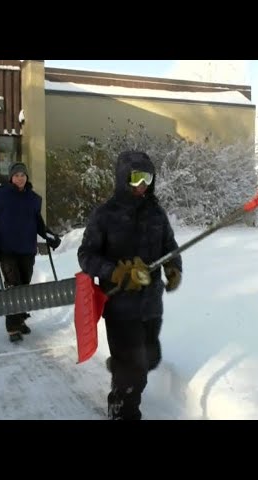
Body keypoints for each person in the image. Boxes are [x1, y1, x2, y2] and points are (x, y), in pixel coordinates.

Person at [77, 150, 183, 420]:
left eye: (147, 177)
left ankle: (122, 380)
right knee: (133, 366)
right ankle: (122, 409)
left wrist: (173, 268)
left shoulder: (156, 213)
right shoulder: (105, 215)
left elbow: (169, 246)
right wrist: (117, 273)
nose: (142, 184)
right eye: (136, 177)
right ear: (123, 178)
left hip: (151, 304)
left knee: (149, 359)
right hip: (120, 305)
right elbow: (86, 256)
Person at [0, 162, 61, 342]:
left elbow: (39, 224)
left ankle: (20, 321)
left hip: (27, 249)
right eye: (17, 175)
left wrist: (51, 237)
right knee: (13, 286)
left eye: (23, 175)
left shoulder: (33, 199)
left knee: (24, 287)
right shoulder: (0, 196)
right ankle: (12, 328)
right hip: (6, 250)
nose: (20, 178)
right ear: (11, 177)